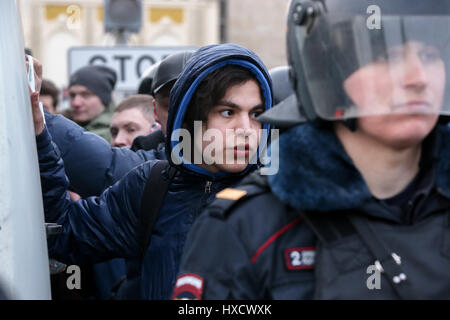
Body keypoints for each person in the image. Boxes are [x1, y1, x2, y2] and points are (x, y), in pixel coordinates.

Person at [175, 0, 450, 299]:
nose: (419, 79)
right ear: (329, 72)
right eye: (388, 56)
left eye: (429, 55)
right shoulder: (248, 228)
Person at [32, 43, 272, 300]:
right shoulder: (151, 186)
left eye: (257, 113)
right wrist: (38, 129)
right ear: (191, 117)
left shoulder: (278, 199)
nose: (247, 129)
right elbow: (63, 235)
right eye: (228, 112)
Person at [131, 51, 195, 152]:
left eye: (196, 104)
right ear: (155, 111)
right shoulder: (143, 150)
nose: (184, 116)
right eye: (171, 106)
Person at [64, 65, 117, 141]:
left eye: (86, 95)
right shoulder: (62, 126)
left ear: (104, 99)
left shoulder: (114, 136)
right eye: (72, 95)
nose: (76, 103)